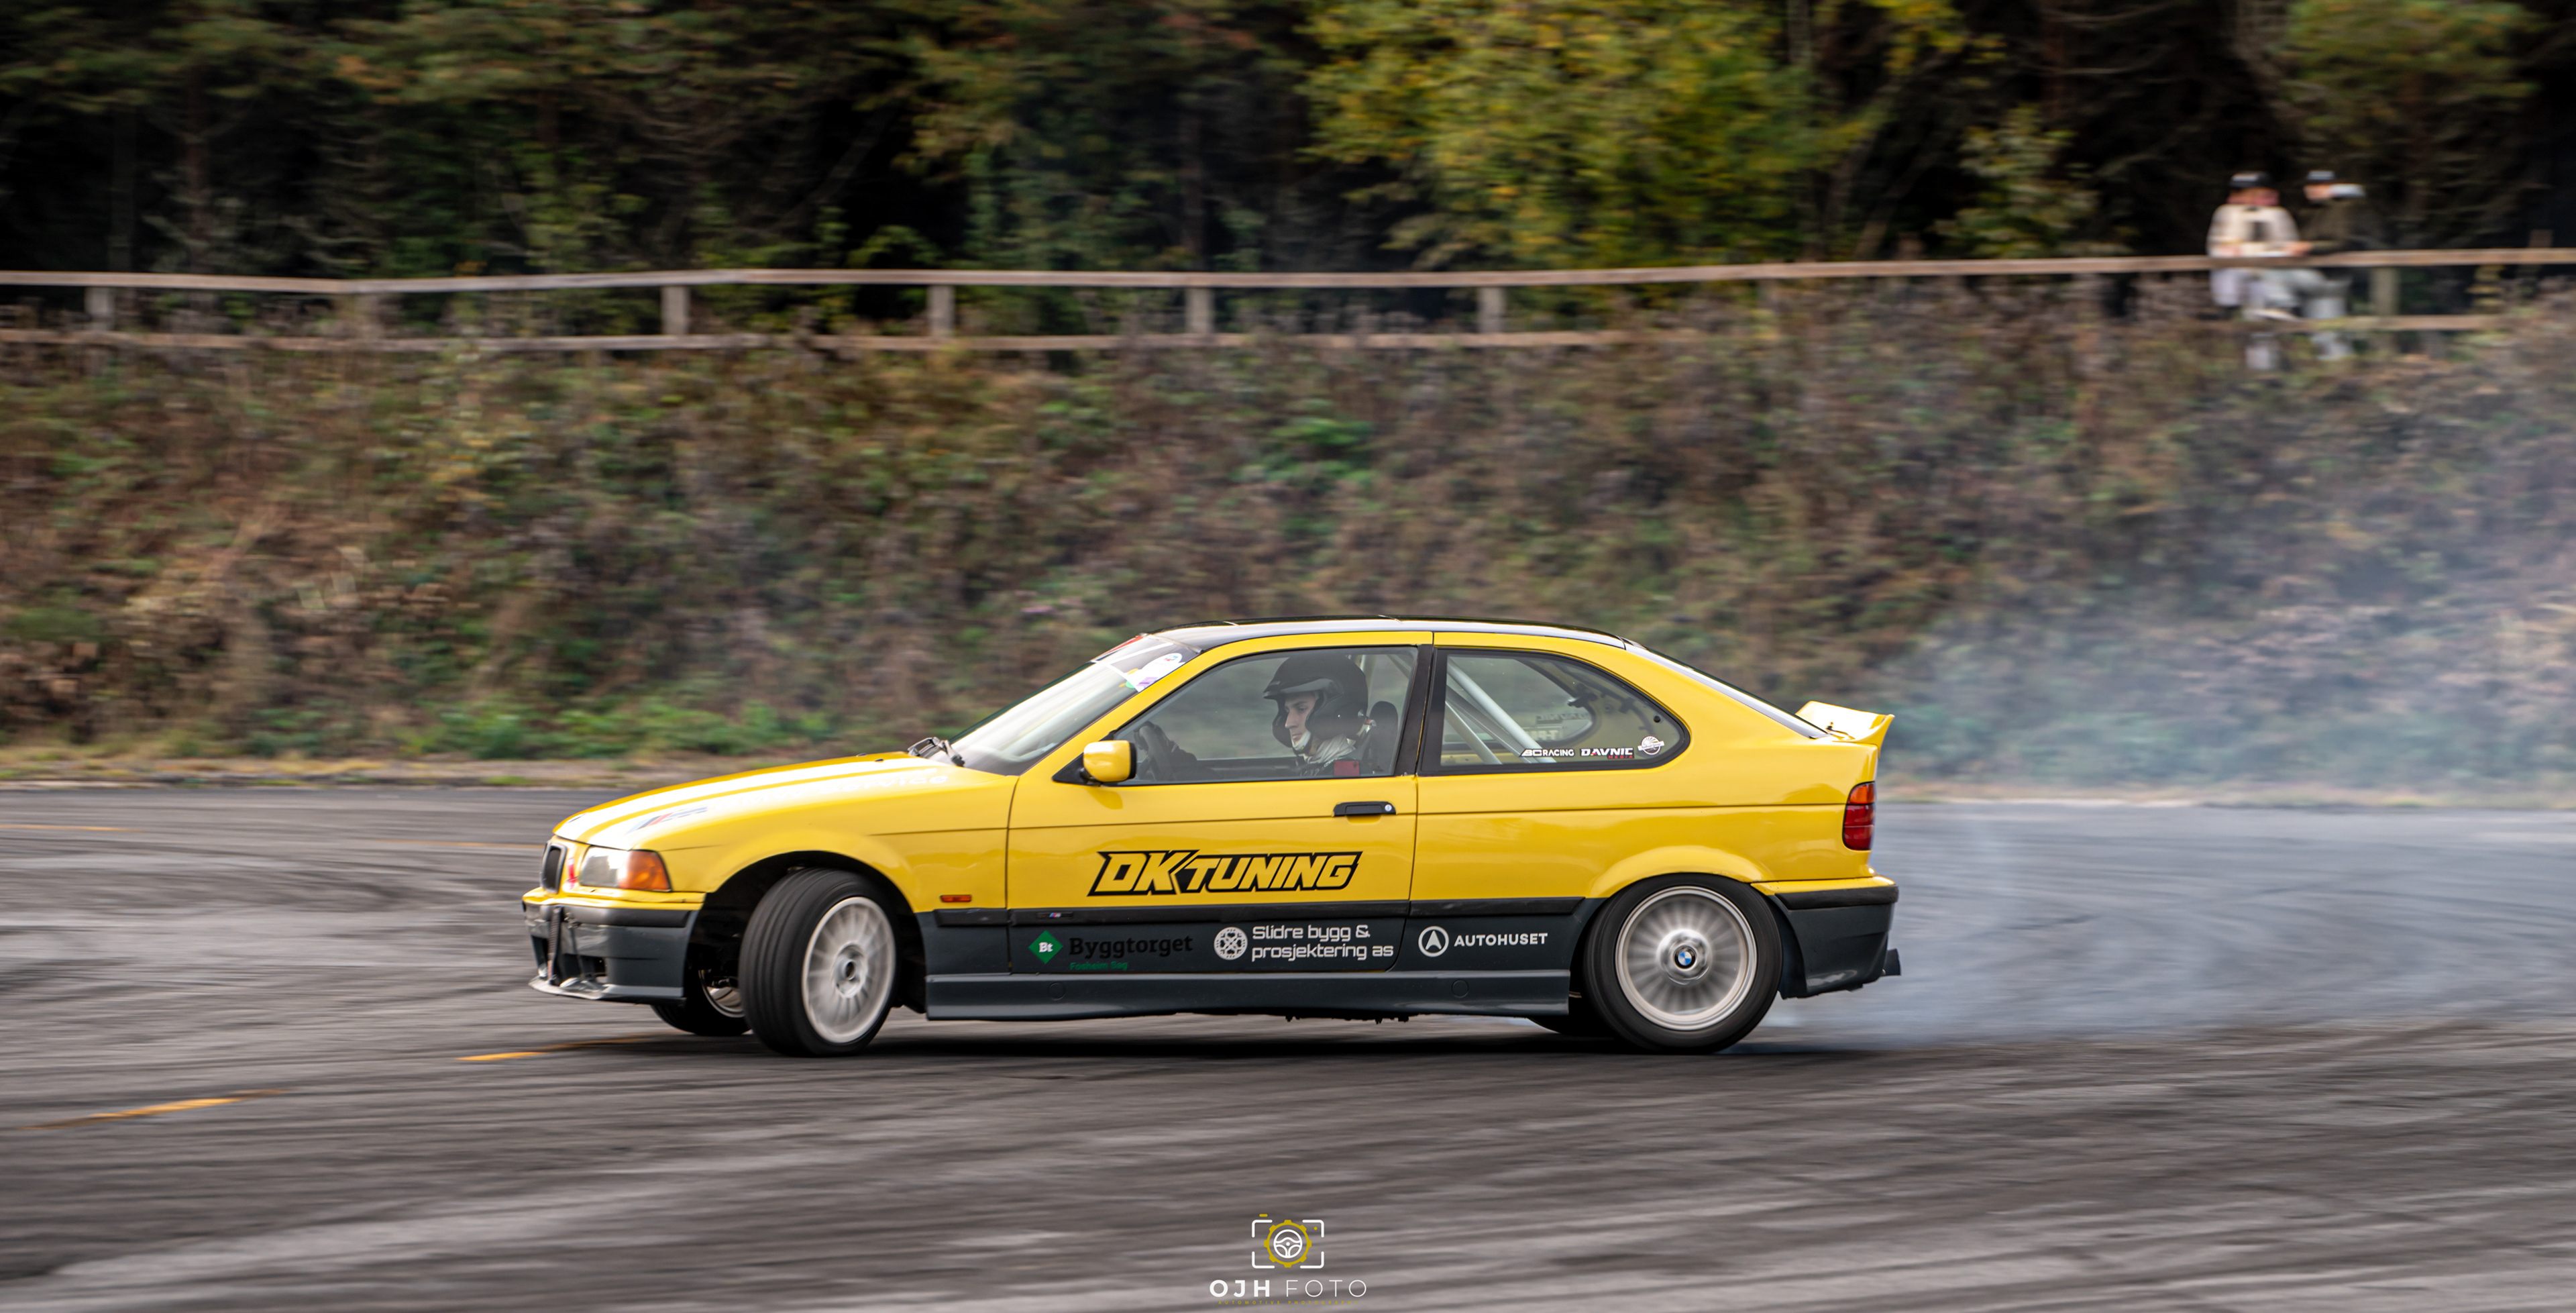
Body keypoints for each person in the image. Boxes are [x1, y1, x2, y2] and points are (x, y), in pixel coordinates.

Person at [1128, 651, 1383, 780]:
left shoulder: (1341, 780)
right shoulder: (1317, 771)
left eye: (1301, 709)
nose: (1288, 723)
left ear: (1337, 710)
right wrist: (1177, 761)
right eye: (1287, 711)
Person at [2208, 172, 2306, 366]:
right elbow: (2216, 243)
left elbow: (2288, 243)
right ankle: (2246, 366)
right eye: (2243, 192)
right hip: (2237, 272)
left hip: (2266, 273)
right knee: (2243, 319)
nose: (2249, 197)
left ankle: (2264, 367)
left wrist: (2279, 252)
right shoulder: (2226, 213)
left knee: (2262, 319)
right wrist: (2225, 251)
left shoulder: (2277, 214)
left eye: (2254, 192)